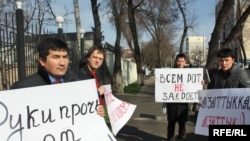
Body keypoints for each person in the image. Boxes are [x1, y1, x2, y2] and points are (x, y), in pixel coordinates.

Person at [10, 37, 105, 117]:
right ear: (42, 61)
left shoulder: (78, 82)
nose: (62, 63)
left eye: (65, 57)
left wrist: (94, 111)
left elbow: (84, 110)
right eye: (56, 57)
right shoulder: (23, 88)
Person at [166, 53, 188, 141]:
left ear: (185, 62)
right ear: (175, 62)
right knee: (171, 123)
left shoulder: (190, 73)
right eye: (178, 61)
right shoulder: (170, 72)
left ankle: (182, 139)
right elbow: (164, 84)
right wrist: (158, 80)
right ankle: (170, 139)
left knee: (182, 124)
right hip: (172, 103)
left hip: (183, 103)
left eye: (182, 61)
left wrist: (200, 83)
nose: (180, 63)